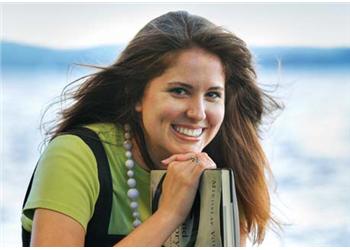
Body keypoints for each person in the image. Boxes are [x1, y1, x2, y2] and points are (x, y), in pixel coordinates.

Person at [21, 10, 281, 246]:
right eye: (179, 91)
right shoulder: (76, 154)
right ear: (135, 95)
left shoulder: (227, 163)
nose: (198, 113)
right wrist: (169, 214)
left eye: (212, 95)